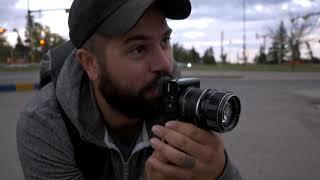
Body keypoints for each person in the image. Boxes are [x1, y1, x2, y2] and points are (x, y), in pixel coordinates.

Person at [17, 0, 242, 179]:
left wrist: (219, 173)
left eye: (165, 40)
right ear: (90, 64)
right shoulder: (47, 124)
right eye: (138, 49)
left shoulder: (180, 104)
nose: (165, 64)